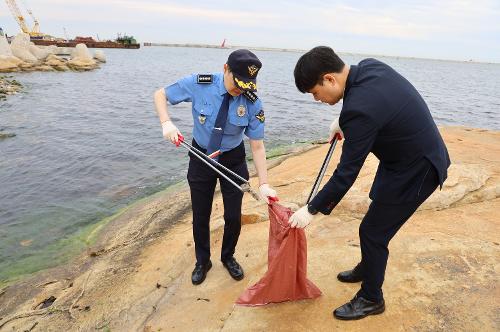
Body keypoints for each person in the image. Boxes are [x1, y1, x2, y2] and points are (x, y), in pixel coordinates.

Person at [289, 46, 450, 320]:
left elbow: (346, 174)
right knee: (378, 205)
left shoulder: (359, 110)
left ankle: (371, 298)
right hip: (402, 159)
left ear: (329, 79)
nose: (316, 99)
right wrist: (342, 120)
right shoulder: (368, 67)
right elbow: (377, 101)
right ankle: (369, 266)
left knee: (373, 232)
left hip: (419, 169)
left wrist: (311, 209)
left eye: (315, 93)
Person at [154, 49, 277, 285]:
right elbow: (160, 94)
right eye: (236, 82)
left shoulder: (252, 102)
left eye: (246, 85)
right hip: (201, 155)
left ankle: (228, 256)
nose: (240, 89)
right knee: (201, 214)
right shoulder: (200, 84)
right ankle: (203, 260)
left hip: (233, 159)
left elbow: (258, 146)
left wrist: (264, 183)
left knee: (233, 216)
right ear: (225, 69)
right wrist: (166, 123)